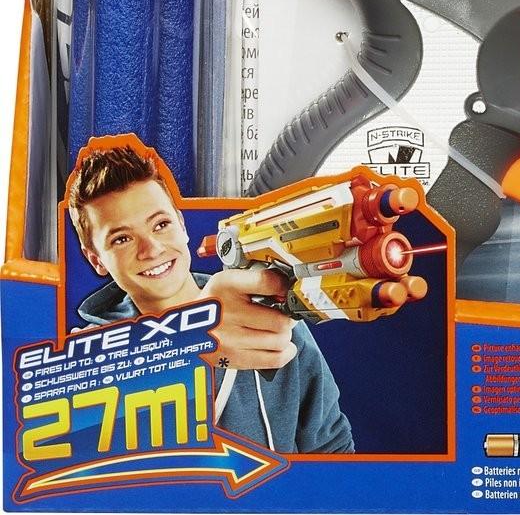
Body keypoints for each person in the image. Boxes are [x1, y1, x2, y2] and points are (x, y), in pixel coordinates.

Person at [67, 143, 354, 453]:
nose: (151, 249)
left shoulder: (270, 316)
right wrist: (189, 343)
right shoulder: (91, 356)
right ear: (96, 259)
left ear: (182, 225)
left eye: (161, 225)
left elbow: (332, 448)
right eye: (122, 239)